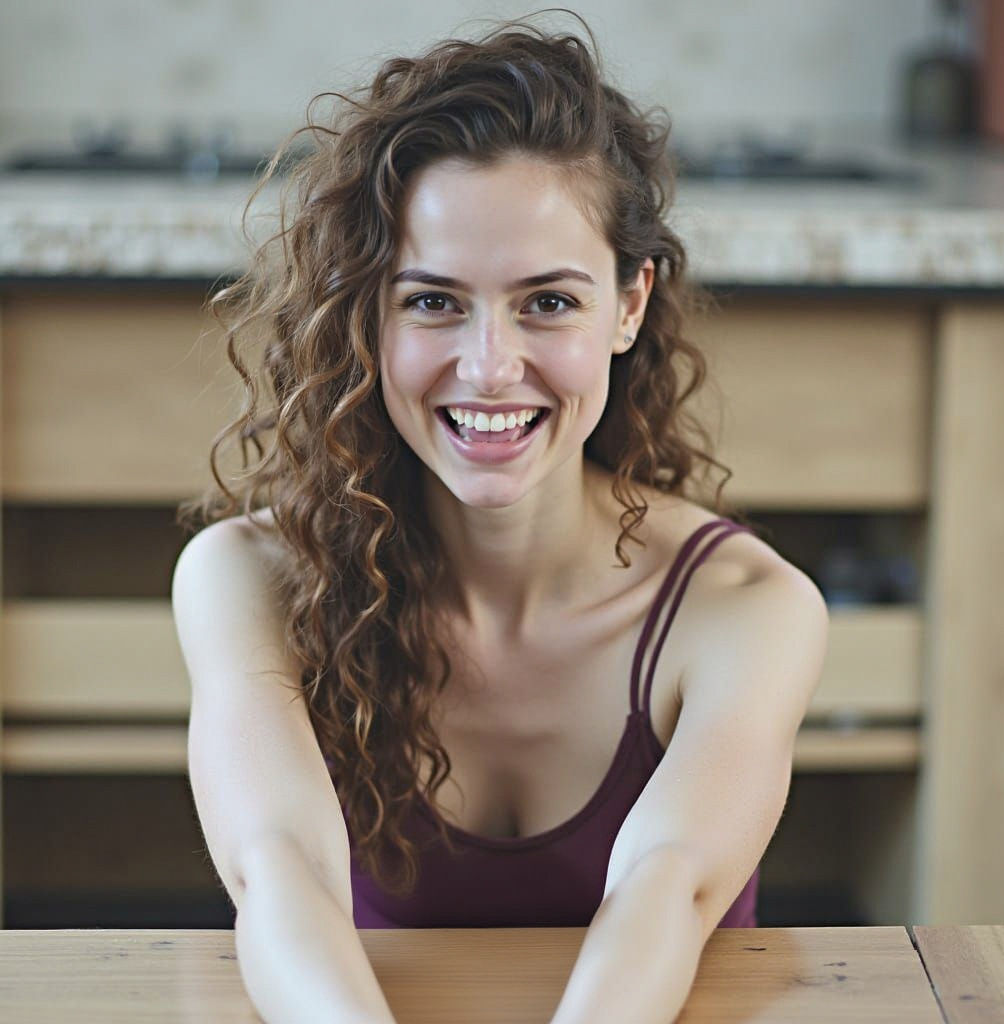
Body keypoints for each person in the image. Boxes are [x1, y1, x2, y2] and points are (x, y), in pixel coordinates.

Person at [172, 11, 829, 1024]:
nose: (488, 366)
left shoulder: (746, 607)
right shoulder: (249, 578)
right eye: (433, 301)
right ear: (368, 312)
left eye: (548, 303)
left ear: (628, 303)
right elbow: (279, 872)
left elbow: (668, 887)